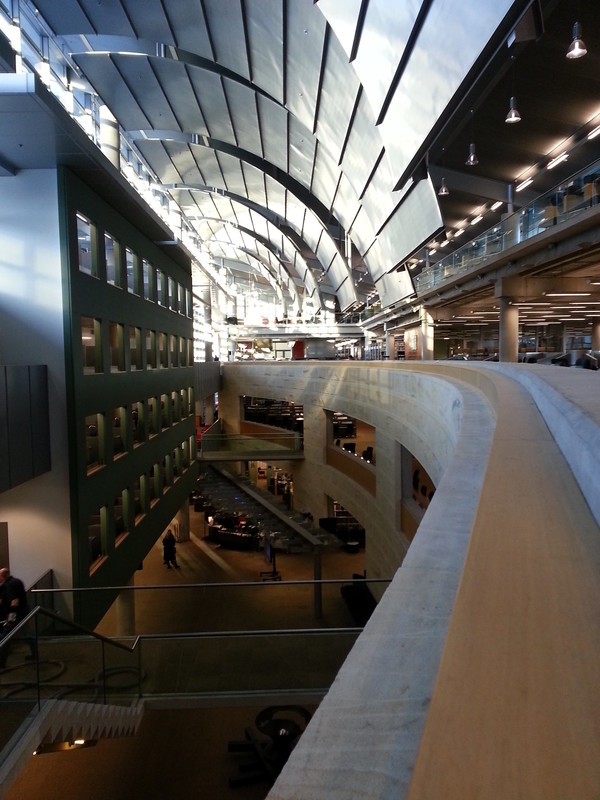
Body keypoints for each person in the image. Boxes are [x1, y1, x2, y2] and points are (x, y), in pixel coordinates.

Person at [0, 567, 36, 667]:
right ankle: (35, 654)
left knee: (5, 636)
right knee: (26, 633)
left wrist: (11, 618)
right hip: (23, 611)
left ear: (3, 576)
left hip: (16, 613)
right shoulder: (16, 581)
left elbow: (14, 601)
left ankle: (1, 663)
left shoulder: (9, 585)